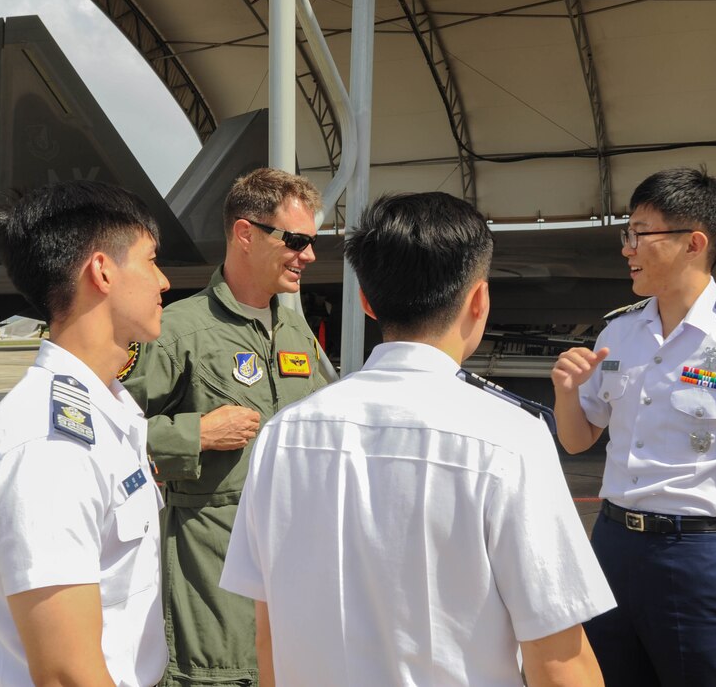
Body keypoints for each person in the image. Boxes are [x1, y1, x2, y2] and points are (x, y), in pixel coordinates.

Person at [219, 192, 615, 686]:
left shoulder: (282, 435)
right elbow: (558, 660)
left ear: (366, 301)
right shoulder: (510, 439)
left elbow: (268, 636)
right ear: (479, 300)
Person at [551, 167, 716, 686]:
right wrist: (567, 392)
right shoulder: (618, 332)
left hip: (697, 553)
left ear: (693, 244)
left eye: (640, 233)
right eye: (628, 233)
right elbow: (577, 439)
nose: (627, 248)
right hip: (612, 544)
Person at [121, 167, 329, 686]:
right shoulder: (177, 331)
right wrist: (197, 435)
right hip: (211, 583)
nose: (309, 255)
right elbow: (106, 436)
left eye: (312, 242)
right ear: (245, 234)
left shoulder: (296, 331)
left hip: (292, 575)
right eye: (296, 241)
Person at [0, 181, 170, 686]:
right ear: (102, 271)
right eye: (151, 260)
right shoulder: (49, 445)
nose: (164, 281)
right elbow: (66, 673)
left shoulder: (105, 411)